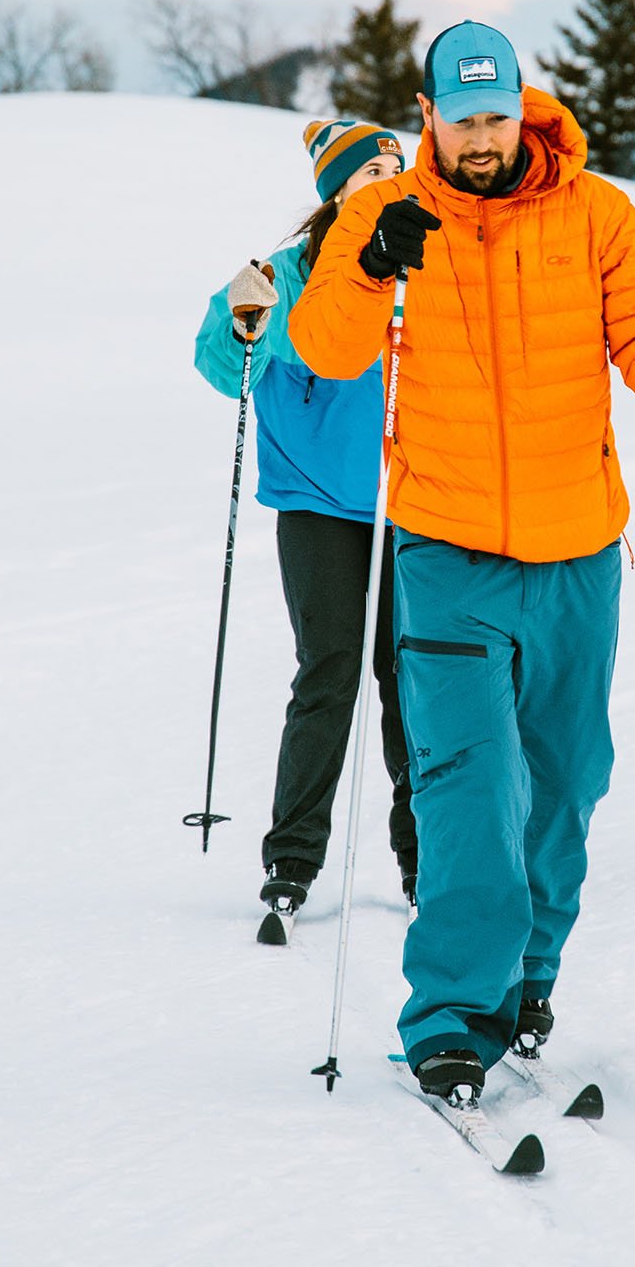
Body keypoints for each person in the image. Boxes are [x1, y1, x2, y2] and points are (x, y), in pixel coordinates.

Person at [289, 20, 635, 1105]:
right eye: (460, 119)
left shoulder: (594, 214)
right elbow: (323, 345)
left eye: (496, 116)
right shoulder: (383, 213)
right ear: (424, 115)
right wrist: (367, 265)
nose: (481, 140)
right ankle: (449, 1015)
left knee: (566, 782)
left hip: (578, 551)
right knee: (467, 791)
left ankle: (525, 977)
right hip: (444, 550)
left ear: (522, 105)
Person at [192, 117, 418, 923]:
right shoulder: (285, 275)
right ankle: (292, 858)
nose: (388, 182)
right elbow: (224, 366)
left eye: (397, 169)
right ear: (336, 192)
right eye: (370, 174)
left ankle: (423, 862)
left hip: (413, 502)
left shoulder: (419, 254)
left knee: (414, 679)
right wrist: (236, 318)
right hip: (319, 504)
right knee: (330, 670)